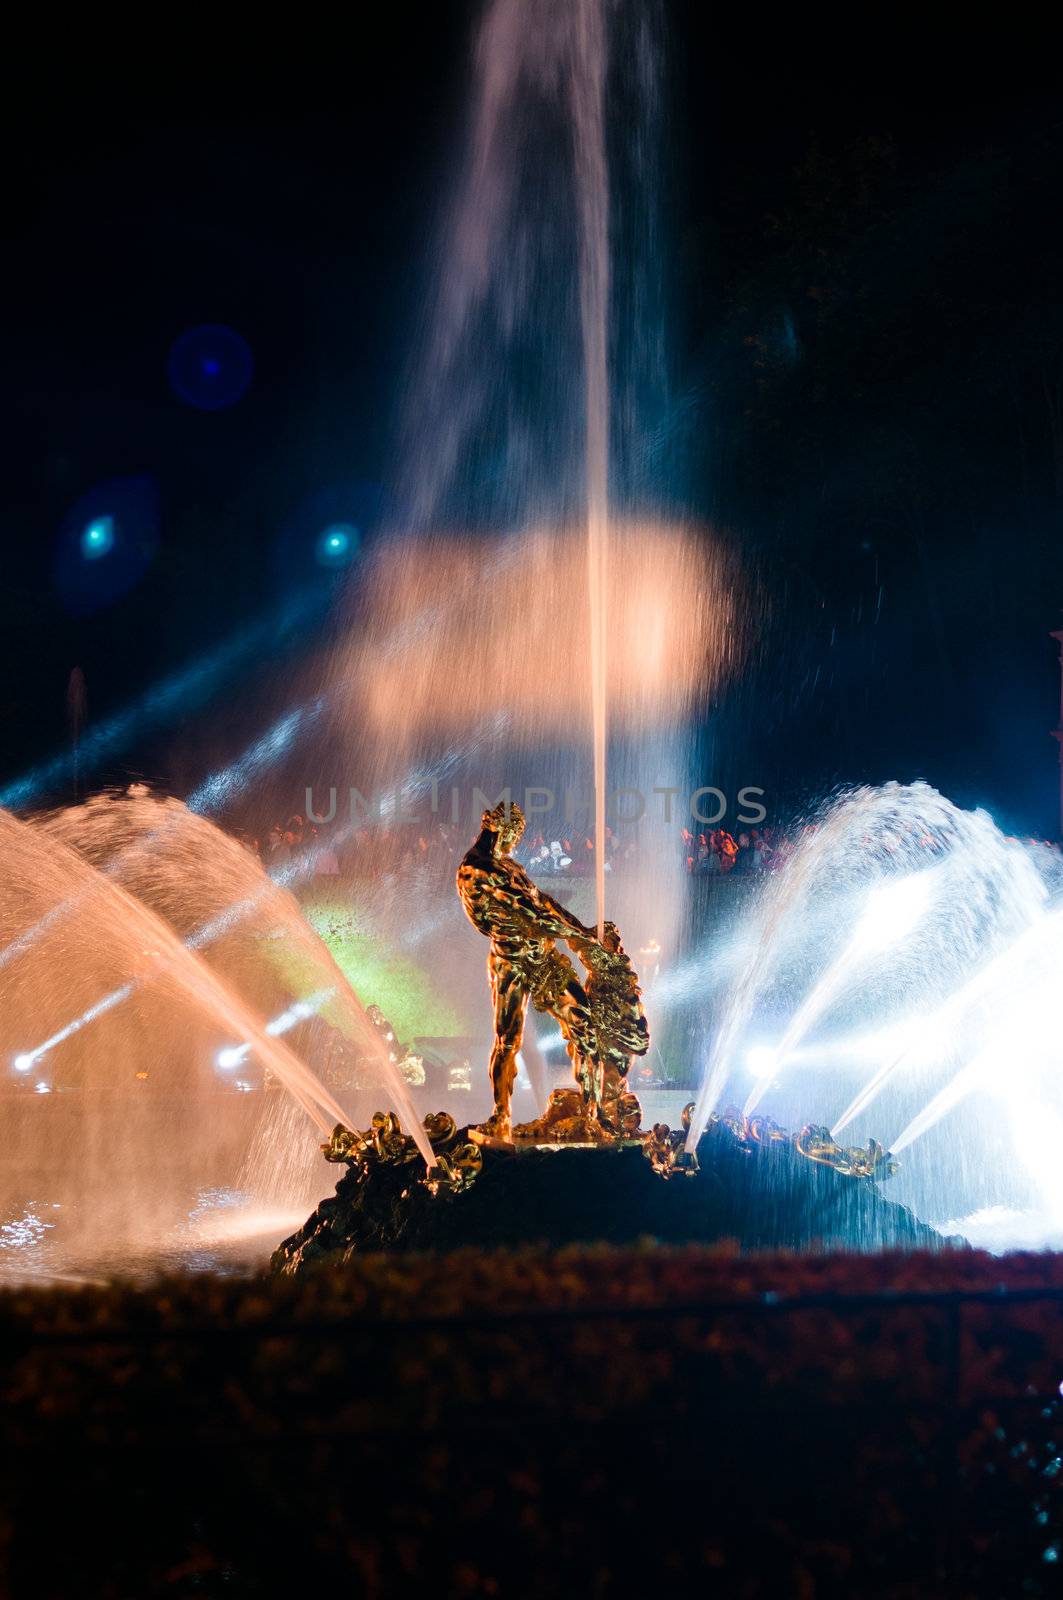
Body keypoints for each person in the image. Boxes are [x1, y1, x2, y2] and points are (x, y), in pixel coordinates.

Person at [456, 801, 599, 1140]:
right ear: (499, 829)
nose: (517, 841)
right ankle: (500, 1116)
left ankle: (593, 1116)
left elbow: (544, 902)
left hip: (543, 957)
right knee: (508, 1040)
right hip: (510, 960)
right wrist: (582, 937)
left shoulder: (510, 866)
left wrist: (584, 931)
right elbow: (533, 914)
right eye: (515, 834)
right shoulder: (478, 870)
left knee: (585, 1025)